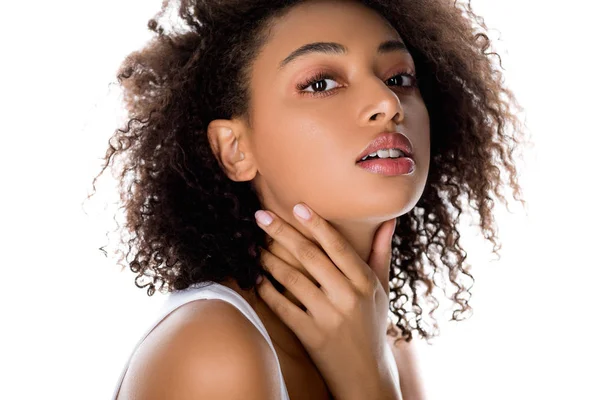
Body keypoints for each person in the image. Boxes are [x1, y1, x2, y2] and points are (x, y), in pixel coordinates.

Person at [91, 0, 526, 398]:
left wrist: (372, 371)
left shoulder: (385, 343)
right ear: (235, 150)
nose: (386, 101)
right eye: (320, 83)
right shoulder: (214, 350)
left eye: (398, 78)